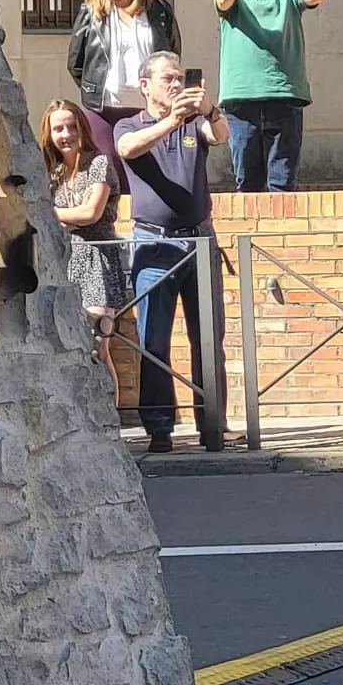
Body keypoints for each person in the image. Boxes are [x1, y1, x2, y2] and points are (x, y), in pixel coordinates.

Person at [115, 52, 233, 453]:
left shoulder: (194, 124)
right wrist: (169, 122)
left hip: (200, 239)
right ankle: (160, 428)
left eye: (180, 77)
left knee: (208, 336)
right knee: (154, 340)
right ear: (145, 85)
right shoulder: (131, 124)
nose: (176, 84)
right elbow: (128, 149)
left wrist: (209, 108)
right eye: (168, 78)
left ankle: (213, 424)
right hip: (154, 242)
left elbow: (221, 136)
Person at [215, 0, 326, 192]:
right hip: (242, 98)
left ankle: (282, 234)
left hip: (285, 94)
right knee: (247, 182)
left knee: (283, 182)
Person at [42, 99, 131, 397]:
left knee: (97, 343)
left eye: (71, 126)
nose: (65, 134)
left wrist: (46, 213)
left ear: (82, 127)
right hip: (61, 261)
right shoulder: (51, 172)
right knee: (67, 348)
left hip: (97, 259)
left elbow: (90, 214)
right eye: (58, 128)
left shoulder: (99, 163)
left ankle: (111, 425)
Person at [66, 0, 181, 155]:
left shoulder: (159, 10)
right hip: (103, 109)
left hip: (148, 108)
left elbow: (172, 55)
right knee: (108, 171)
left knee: (145, 170)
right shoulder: (91, 13)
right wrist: (93, 89)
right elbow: (75, 62)